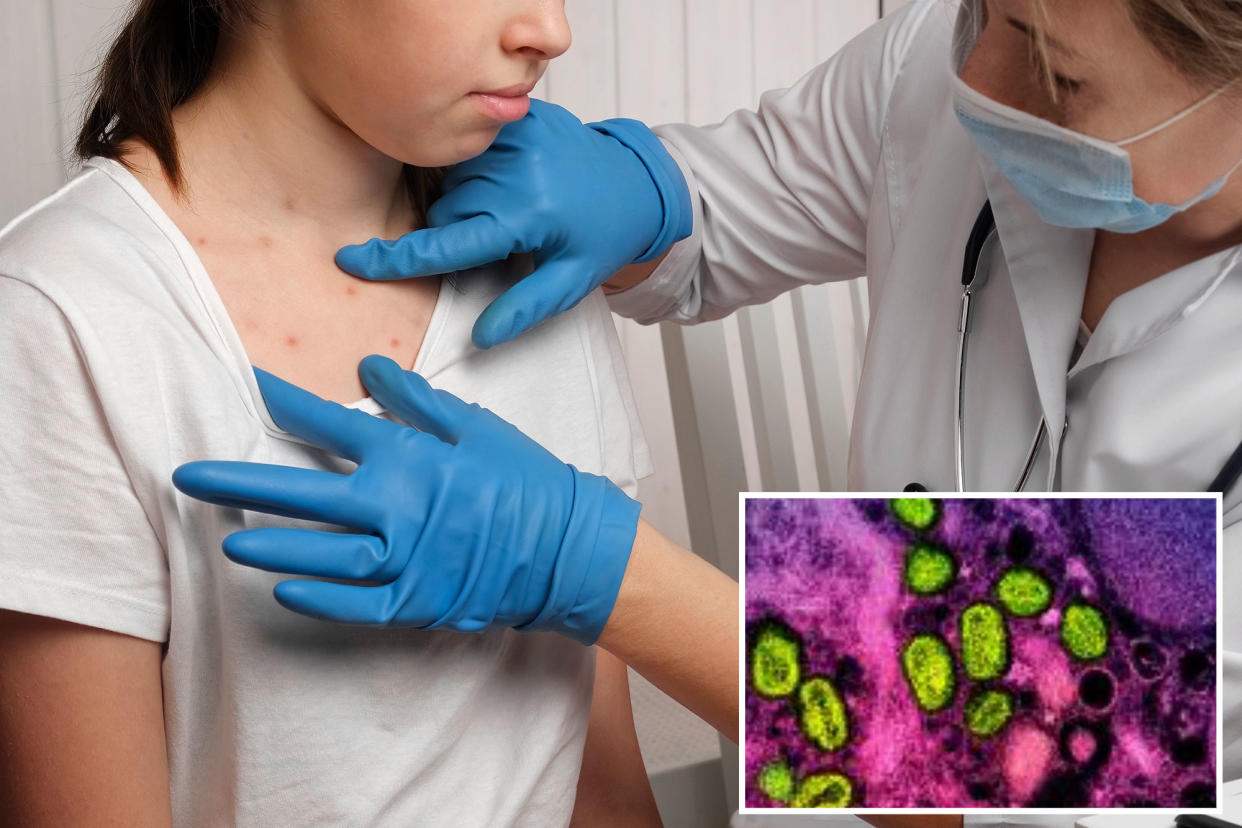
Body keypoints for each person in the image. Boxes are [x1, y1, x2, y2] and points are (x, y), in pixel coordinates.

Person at [173, 0, 1241, 822]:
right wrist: (645, 188)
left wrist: (599, 568)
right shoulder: (964, 50)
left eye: (1060, 74)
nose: (979, 81)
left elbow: (1065, 765)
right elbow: (753, 186)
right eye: (990, 12)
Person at [0, 0, 687, 825]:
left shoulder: (531, 265)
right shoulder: (64, 314)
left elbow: (602, 775)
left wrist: (597, 568)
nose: (552, 32)